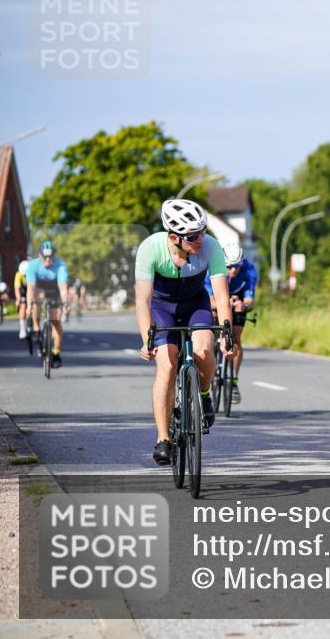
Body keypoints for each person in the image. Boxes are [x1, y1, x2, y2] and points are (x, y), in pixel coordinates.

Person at [134, 199, 235, 465]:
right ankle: (163, 438)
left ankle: (203, 394)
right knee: (166, 366)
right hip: (161, 306)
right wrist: (146, 338)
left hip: (195, 304)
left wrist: (227, 334)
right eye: (193, 236)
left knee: (203, 350)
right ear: (174, 237)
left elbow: (222, 298)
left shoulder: (210, 247)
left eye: (202, 232)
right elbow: (142, 301)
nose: (200, 239)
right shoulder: (150, 249)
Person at [205, 243, 258, 404]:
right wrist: (225, 303)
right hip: (216, 299)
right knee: (210, 334)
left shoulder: (249, 270)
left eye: (237, 267)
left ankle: (233, 380)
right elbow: (210, 300)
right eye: (229, 267)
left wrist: (244, 305)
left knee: (235, 337)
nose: (233, 271)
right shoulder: (211, 269)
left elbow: (250, 300)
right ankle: (211, 367)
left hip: (237, 298)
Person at [25, 241, 70, 367]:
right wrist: (29, 305)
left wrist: (65, 303)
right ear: (40, 255)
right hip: (39, 288)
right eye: (45, 257)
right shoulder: (33, 265)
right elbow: (31, 289)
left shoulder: (60, 265)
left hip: (54, 289)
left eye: (51, 256)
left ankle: (56, 352)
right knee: (37, 297)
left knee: (56, 320)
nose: (48, 259)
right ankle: (36, 328)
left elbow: (63, 288)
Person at [14, 260, 31, 339]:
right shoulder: (18, 275)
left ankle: (34, 324)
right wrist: (18, 299)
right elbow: (17, 289)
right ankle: (22, 329)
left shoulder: (33, 273)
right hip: (23, 290)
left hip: (32, 289)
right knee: (23, 305)